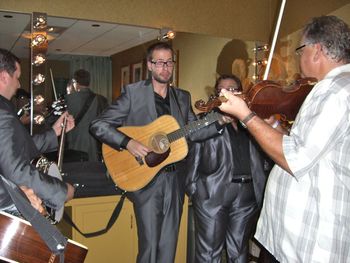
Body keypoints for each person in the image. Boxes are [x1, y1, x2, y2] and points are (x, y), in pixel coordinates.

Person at [218, 16, 350, 262]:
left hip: (310, 244)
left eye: (301, 50)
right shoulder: (334, 88)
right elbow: (308, 149)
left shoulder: (335, 91)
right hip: (295, 243)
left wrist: (246, 115)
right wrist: (275, 127)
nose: (299, 58)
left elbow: (295, 159)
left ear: (317, 50)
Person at [89, 42, 227, 263]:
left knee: (169, 245)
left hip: (175, 180)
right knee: (150, 246)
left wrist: (221, 121)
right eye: (159, 62)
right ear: (149, 65)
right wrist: (128, 142)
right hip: (146, 180)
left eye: (169, 62)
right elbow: (99, 125)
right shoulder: (133, 94)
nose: (165, 67)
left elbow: (192, 132)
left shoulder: (182, 97)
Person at [185, 74, 270, 263]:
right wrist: (220, 120)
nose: (227, 93)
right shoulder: (207, 118)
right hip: (212, 192)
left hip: (247, 194)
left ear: (241, 92)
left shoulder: (252, 118)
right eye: (221, 90)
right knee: (209, 253)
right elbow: (191, 134)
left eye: (232, 89)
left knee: (239, 252)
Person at [0, 48, 75, 216]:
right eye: (17, 78)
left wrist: (54, 132)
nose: (19, 85)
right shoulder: (2, 113)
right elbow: (16, 171)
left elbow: (16, 147)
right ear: (4, 77)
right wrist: (60, 191)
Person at [65, 69, 109, 162]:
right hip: (95, 144)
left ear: (75, 82)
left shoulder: (69, 100)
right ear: (89, 81)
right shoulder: (101, 99)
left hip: (74, 144)